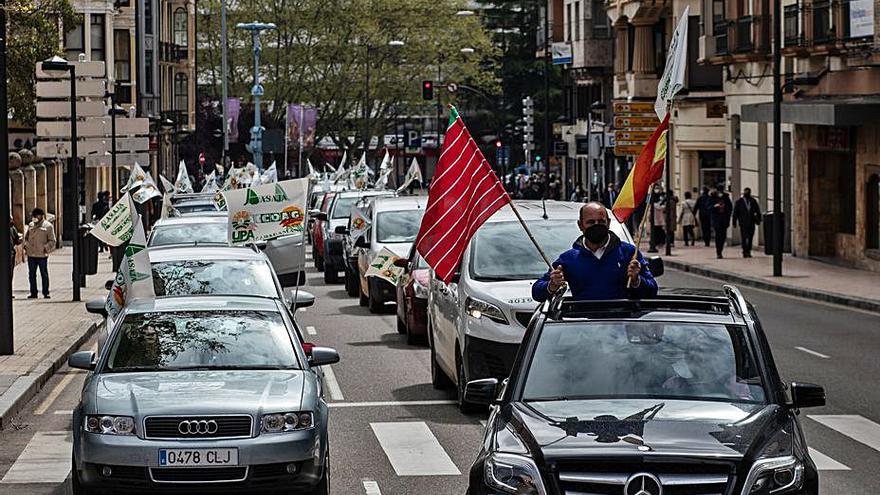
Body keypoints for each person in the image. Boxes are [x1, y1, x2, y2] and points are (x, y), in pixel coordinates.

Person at [532, 202, 658, 302]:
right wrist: (552, 285)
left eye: (601, 221)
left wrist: (636, 280)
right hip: (584, 328)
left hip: (621, 325)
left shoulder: (629, 253)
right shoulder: (569, 259)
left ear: (608, 223)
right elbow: (537, 292)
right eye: (591, 222)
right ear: (580, 226)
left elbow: (652, 290)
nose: (596, 225)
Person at [23, 208, 56, 299]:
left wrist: (45, 248)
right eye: (33, 216)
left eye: (36, 215)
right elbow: (26, 237)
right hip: (31, 254)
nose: (34, 218)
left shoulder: (48, 226)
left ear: (41, 216)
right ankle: (33, 292)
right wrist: (26, 245)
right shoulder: (31, 225)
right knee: (31, 274)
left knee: (44, 273)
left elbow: (52, 240)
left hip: (42, 254)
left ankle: (46, 292)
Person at [733, 187, 762, 258]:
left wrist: (759, 219)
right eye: (746, 192)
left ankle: (748, 251)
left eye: (748, 192)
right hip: (743, 223)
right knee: (744, 237)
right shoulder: (739, 202)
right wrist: (734, 222)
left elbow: (758, 211)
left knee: (750, 237)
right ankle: (744, 251)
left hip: (751, 222)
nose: (747, 194)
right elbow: (735, 213)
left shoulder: (753, 201)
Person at [710, 185, 733, 259]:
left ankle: (720, 250)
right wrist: (714, 206)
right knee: (718, 236)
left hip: (724, 220)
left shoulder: (726, 197)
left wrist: (725, 209)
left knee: (722, 236)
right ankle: (718, 252)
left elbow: (730, 208)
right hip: (717, 220)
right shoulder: (713, 197)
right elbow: (708, 208)